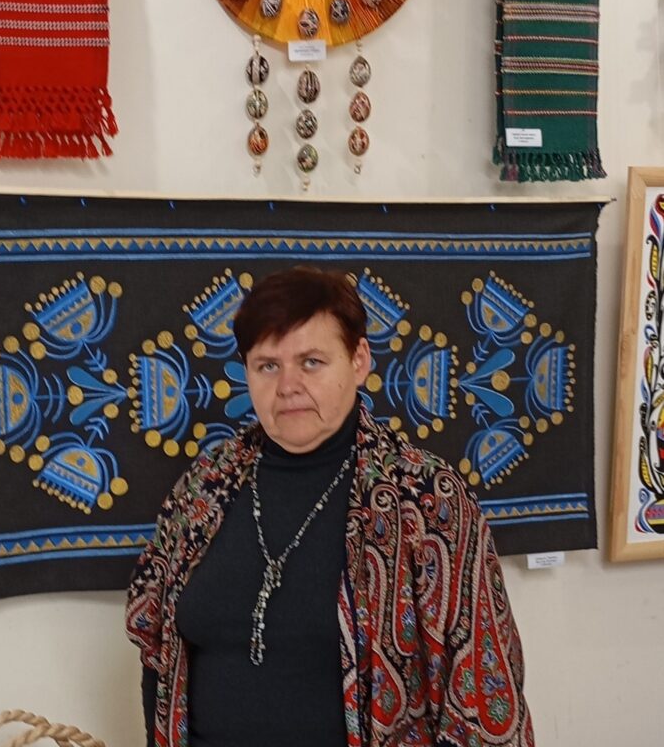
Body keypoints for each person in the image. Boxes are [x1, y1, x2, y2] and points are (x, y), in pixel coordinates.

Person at [125, 266, 534, 747]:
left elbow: (485, 688)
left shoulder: (427, 499)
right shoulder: (204, 487)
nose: (287, 385)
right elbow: (157, 649)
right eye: (267, 366)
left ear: (358, 361)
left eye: (312, 362)